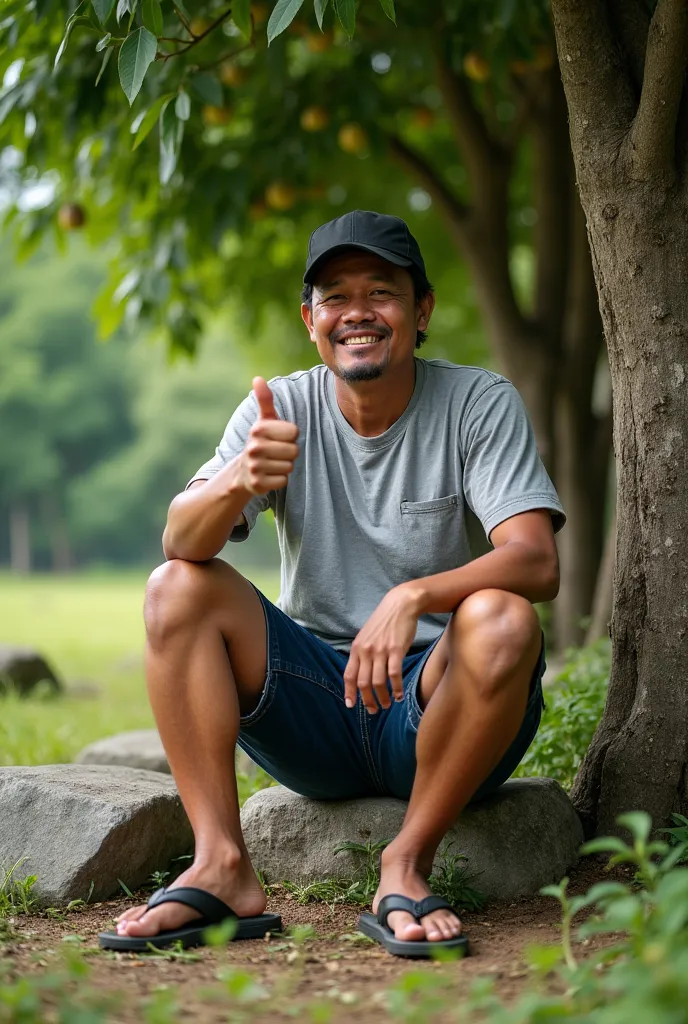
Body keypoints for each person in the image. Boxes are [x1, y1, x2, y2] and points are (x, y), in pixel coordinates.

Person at [100, 210, 565, 958]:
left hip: (433, 710)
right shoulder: (278, 408)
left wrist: (414, 595)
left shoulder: (479, 403)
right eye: (335, 294)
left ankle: (405, 864)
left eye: (381, 291)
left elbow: (536, 561)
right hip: (315, 700)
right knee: (174, 587)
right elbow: (180, 540)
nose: (358, 311)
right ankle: (221, 865)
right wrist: (237, 483)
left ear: (421, 311)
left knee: (503, 616)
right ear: (311, 319)